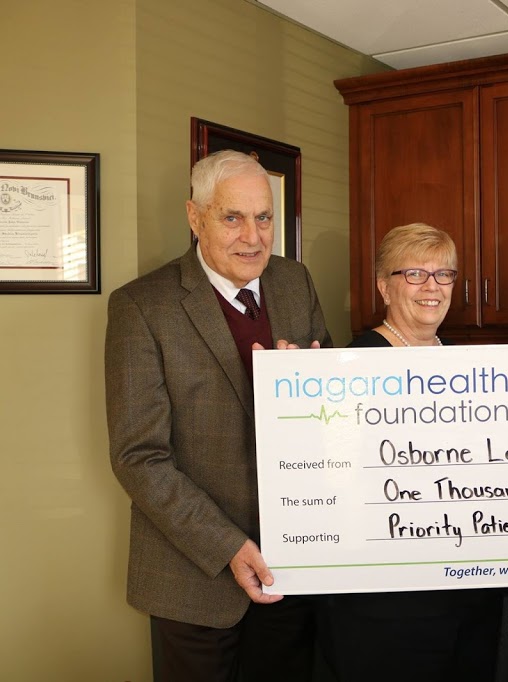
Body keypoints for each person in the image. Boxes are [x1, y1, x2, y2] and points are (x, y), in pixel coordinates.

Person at [105, 149, 332, 681]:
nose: (253, 237)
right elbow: (139, 457)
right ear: (195, 217)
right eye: (232, 218)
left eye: (264, 217)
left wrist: (315, 394)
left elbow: (332, 421)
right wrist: (229, 546)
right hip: (193, 579)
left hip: (291, 567)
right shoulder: (142, 306)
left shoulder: (295, 282)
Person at [318, 222, 504, 681]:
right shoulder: (351, 366)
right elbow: (334, 478)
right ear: (384, 286)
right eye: (415, 274)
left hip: (467, 595)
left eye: (444, 274)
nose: (432, 287)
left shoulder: (467, 364)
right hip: (386, 603)